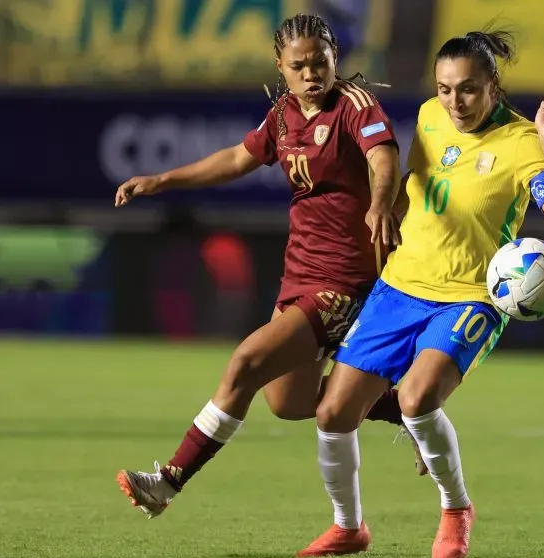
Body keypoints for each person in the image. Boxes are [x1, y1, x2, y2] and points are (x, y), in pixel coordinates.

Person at [114, 13, 419, 519]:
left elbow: (383, 157)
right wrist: (161, 180)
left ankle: (168, 482)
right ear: (280, 65)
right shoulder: (282, 116)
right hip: (298, 276)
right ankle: (407, 406)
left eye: (319, 62)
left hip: (344, 281)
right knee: (290, 403)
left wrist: (381, 202)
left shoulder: (354, 106)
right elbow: (238, 158)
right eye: (297, 65)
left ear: (335, 58)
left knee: (244, 364)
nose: (310, 73)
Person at [296, 29, 544, 558]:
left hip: (469, 297)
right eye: (446, 88)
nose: (455, 102)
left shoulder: (521, 142)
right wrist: (389, 218)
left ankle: (456, 508)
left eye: (468, 89)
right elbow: (418, 181)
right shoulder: (430, 116)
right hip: (400, 288)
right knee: (333, 413)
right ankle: (347, 527)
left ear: (493, 86)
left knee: (416, 398)